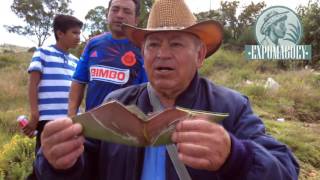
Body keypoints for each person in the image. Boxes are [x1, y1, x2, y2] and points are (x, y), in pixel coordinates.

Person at [35, 0, 299, 179]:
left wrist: (236, 156)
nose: (162, 54)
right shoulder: (115, 104)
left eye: (175, 44)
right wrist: (58, 164)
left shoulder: (231, 107)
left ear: (199, 55)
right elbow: (84, 168)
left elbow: (287, 169)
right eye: (153, 45)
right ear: (142, 53)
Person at [25, 14, 83, 180]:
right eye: (74, 33)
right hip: (46, 121)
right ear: (60, 33)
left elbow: (75, 91)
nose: (78, 37)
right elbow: (32, 84)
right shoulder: (43, 53)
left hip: (68, 121)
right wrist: (34, 114)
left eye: (79, 33)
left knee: (66, 163)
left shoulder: (75, 61)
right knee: (44, 163)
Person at [68, 0, 147, 116]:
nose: (120, 15)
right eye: (115, 9)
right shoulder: (93, 44)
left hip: (126, 130)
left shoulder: (144, 49)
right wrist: (71, 117)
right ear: (107, 14)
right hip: (92, 126)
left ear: (136, 20)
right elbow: (78, 82)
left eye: (127, 12)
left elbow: (149, 93)